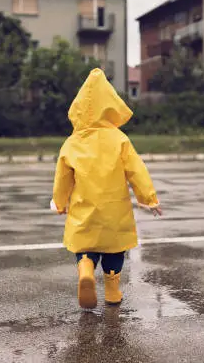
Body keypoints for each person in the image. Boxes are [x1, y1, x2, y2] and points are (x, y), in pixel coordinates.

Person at [52, 68, 162, 309]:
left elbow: (62, 177)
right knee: (114, 250)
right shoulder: (119, 139)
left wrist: (59, 203)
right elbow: (136, 170)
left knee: (86, 247)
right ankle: (112, 293)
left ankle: (85, 269)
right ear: (111, 103)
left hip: (84, 212)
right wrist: (149, 198)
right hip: (114, 211)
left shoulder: (72, 143)